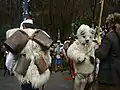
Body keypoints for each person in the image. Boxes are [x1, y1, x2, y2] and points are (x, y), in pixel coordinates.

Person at [5, 19, 52, 90]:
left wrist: (11, 68)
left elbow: (11, 59)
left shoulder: (18, 36)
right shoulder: (41, 35)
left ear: (23, 26)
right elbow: (48, 57)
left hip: (23, 71)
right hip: (38, 71)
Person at [95, 13, 120, 90]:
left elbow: (102, 54)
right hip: (117, 75)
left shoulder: (109, 36)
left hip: (107, 76)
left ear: (110, 23)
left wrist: (97, 49)